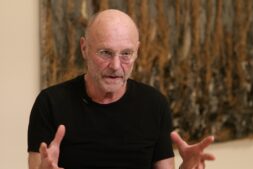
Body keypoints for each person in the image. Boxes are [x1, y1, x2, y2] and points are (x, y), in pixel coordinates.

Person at [27, 9, 215, 169]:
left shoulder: (154, 104)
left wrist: (185, 167)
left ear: (137, 51)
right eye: (105, 52)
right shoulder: (50, 103)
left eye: (126, 53)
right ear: (84, 48)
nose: (116, 65)